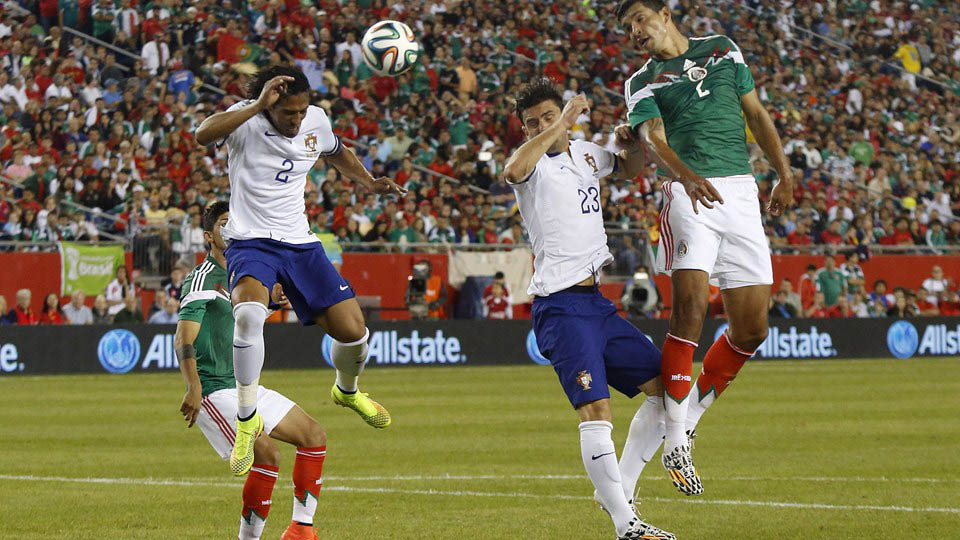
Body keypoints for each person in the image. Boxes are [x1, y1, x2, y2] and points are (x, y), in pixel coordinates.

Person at [617, 0, 795, 495]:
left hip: (740, 192)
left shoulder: (723, 49)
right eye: (627, 27)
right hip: (686, 191)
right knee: (690, 311)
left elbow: (755, 114)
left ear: (666, 15)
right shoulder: (640, 82)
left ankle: (688, 419)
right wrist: (688, 178)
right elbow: (651, 140)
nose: (634, 31)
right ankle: (676, 440)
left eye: (640, 19)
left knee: (753, 328)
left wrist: (784, 173)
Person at [194, 65, 405, 477]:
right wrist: (257, 104)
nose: (296, 119)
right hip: (252, 240)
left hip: (300, 243)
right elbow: (203, 133)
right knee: (249, 313)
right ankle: (246, 418)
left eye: (301, 110)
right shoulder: (246, 119)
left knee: (354, 332)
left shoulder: (316, 120)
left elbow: (335, 151)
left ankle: (347, 391)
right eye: (288, 112)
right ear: (271, 105)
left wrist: (367, 181)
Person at [502, 79, 674, 540]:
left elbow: (632, 169)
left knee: (664, 389)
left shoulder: (585, 154)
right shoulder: (531, 165)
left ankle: (620, 489)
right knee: (596, 409)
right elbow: (512, 169)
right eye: (532, 123)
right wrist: (561, 121)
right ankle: (626, 526)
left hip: (597, 304)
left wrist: (629, 143)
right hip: (559, 306)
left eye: (548, 116)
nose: (542, 126)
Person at [175, 202, 328, 540]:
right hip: (215, 389)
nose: (231, 230)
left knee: (314, 435)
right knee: (268, 455)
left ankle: (300, 530)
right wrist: (193, 387)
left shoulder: (246, 274)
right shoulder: (201, 278)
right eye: (224, 225)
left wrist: (273, 299)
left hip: (246, 387)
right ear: (208, 236)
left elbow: (241, 314)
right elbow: (183, 337)